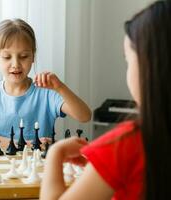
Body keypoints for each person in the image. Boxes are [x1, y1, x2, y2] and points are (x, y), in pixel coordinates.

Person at [40, 0, 171, 199]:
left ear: (150, 67)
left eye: (128, 61)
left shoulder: (126, 144)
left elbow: (84, 115)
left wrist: (54, 154)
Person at [0, 18, 91, 148]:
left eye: (23, 56)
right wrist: (26, 145)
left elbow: (84, 116)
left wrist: (60, 87)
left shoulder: (47, 93)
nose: (16, 64)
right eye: (7, 57)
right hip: (0, 166)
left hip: (38, 166)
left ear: (33, 56)